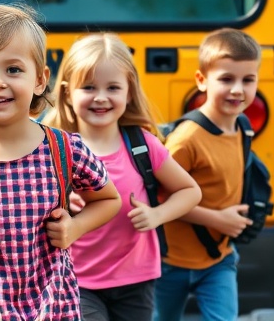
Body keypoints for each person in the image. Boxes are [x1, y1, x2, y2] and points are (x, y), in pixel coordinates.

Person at [0, 3, 122, 320]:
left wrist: (75, 227)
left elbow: (109, 199)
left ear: (40, 79)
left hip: (54, 308)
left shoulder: (66, 150)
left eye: (13, 70)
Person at [43, 33, 201, 321]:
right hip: (74, 278)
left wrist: (157, 215)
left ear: (129, 93)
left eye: (113, 87)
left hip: (136, 279)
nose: (101, 97)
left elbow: (190, 191)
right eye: (88, 87)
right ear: (67, 92)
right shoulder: (55, 150)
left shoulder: (142, 145)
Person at [153, 28, 261, 321]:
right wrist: (217, 219)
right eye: (226, 79)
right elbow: (161, 199)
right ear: (202, 81)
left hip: (219, 258)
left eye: (248, 80)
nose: (238, 89)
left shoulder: (242, 126)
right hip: (169, 262)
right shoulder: (187, 139)